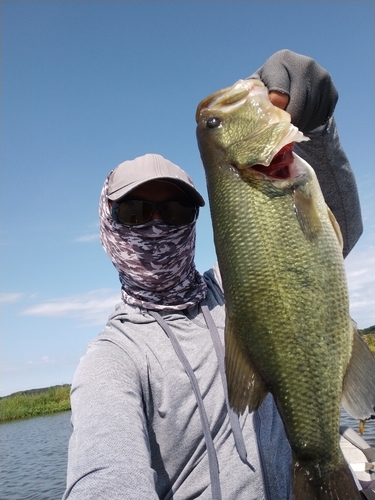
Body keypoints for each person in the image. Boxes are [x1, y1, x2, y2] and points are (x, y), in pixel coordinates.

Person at [62, 50, 367, 500]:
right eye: (135, 211)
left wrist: (317, 126)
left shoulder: (236, 286)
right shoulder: (113, 360)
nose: (157, 224)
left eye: (176, 209)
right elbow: (102, 475)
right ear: (109, 228)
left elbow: (334, 232)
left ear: (195, 220)